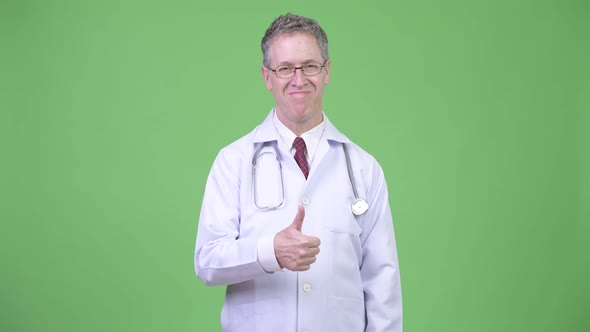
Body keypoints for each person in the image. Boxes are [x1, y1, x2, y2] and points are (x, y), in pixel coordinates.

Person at [194, 13, 402, 332]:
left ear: (327, 70)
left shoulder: (363, 168)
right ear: (267, 77)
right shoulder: (233, 161)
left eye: (309, 66)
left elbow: (382, 282)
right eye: (285, 68)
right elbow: (208, 261)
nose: (298, 79)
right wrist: (270, 251)